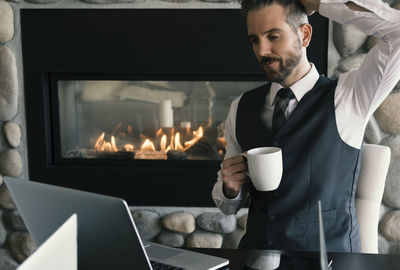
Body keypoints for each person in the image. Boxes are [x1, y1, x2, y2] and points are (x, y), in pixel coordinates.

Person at [212, 0, 400, 252]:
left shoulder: (351, 96)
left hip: (329, 262)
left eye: (273, 36)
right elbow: (228, 205)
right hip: (258, 260)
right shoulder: (241, 107)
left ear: (305, 34)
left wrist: (321, 3)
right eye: (254, 40)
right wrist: (230, 189)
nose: (262, 50)